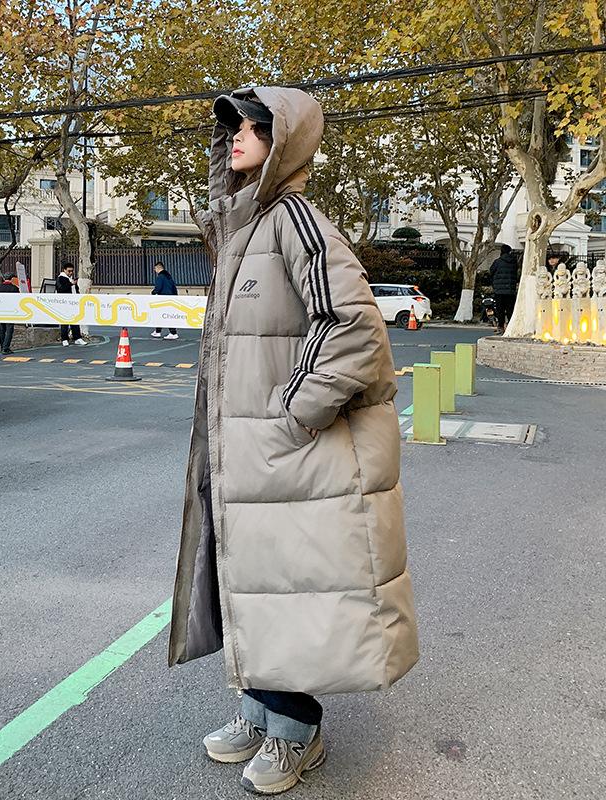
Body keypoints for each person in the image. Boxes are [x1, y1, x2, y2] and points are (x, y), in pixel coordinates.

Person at [168, 87, 418, 795]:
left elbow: (355, 329)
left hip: (277, 451)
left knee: (280, 584)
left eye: (258, 127)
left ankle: (296, 730)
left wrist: (292, 417)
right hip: (237, 449)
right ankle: (258, 704)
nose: (240, 136)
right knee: (247, 578)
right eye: (235, 127)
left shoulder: (295, 221)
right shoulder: (242, 225)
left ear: (288, 144)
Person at [489, 244, 520, 334]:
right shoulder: (514, 262)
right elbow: (516, 275)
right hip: (511, 290)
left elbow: (491, 272)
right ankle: (510, 327)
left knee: (500, 310)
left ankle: (501, 327)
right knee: (510, 309)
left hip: (499, 290)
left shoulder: (497, 262)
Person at [55, 262, 86, 346]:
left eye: (72, 271)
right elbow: (60, 289)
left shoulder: (71, 279)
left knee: (75, 320)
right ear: (64, 270)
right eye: (69, 271)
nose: (70, 273)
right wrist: (70, 284)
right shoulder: (61, 278)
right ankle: (64, 339)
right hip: (64, 303)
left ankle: (77, 338)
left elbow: (76, 290)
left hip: (73, 303)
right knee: (64, 321)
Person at [150, 261, 179, 339]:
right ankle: (157, 331)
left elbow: (158, 287)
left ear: (158, 268)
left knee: (164, 315)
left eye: (155, 268)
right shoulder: (168, 276)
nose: (154, 270)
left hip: (163, 298)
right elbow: (174, 287)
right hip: (171, 298)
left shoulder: (160, 277)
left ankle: (173, 333)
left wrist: (153, 292)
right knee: (163, 314)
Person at [0, 273, 19, 354]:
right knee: (9, 330)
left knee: (2, 329)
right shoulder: (14, 288)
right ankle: (6, 347)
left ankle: (2, 346)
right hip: (10, 311)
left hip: (0, 311)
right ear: (11, 279)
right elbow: (17, 300)